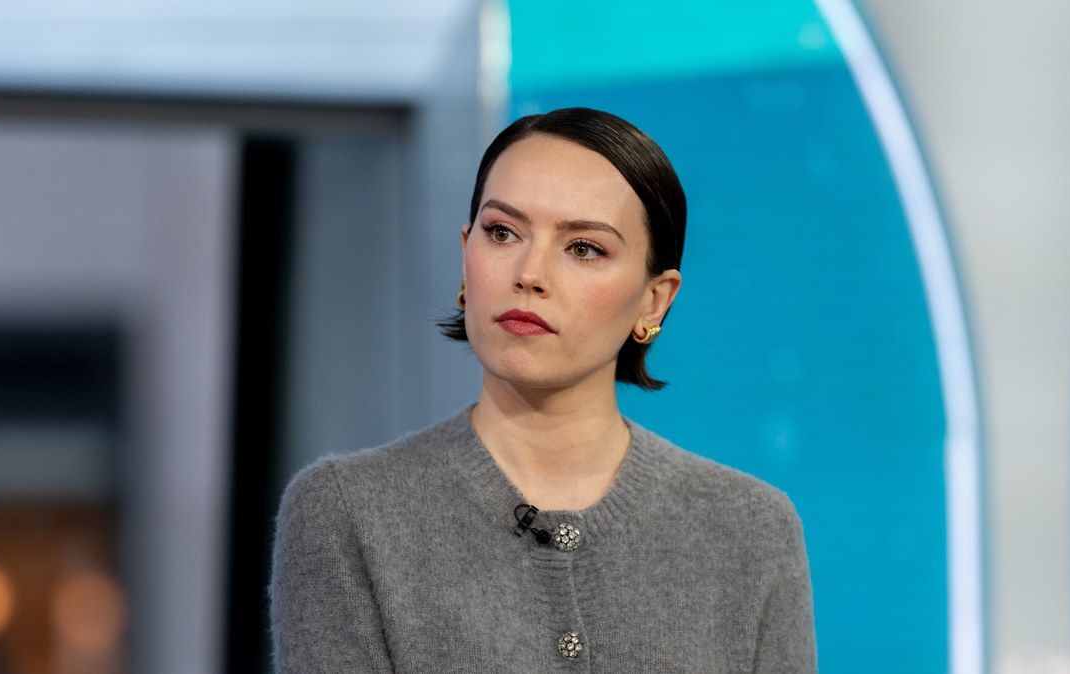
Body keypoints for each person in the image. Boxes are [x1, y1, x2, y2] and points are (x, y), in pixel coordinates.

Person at [271, 107, 817, 672]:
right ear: (466, 255)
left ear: (655, 300)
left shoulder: (750, 529)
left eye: (583, 247)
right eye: (502, 232)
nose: (529, 272)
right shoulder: (348, 512)